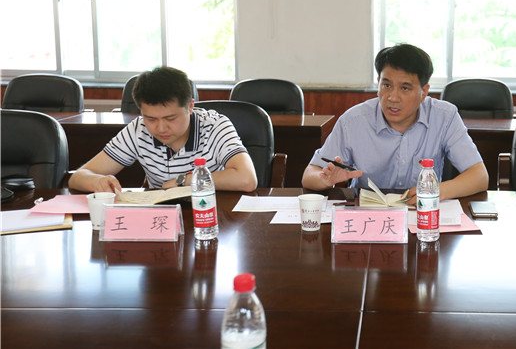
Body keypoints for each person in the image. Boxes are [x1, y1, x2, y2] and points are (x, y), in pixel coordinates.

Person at [301, 43, 489, 202]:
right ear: (378, 83)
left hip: (421, 213)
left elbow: (479, 176)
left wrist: (435, 191)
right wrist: (325, 179)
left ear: (424, 92)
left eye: (405, 88)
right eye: (386, 85)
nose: (392, 97)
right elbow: (310, 174)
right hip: (368, 216)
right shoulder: (353, 121)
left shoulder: (444, 117)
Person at [69, 67, 258, 193]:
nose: (160, 128)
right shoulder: (138, 130)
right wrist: (97, 182)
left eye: (170, 118)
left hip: (210, 214)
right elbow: (77, 177)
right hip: (162, 220)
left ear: (190, 107)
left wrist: (182, 181)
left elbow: (247, 178)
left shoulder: (215, 126)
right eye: (151, 118)